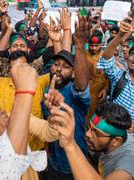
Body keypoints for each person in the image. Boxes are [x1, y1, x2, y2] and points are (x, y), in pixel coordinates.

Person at [0, 27, 64, 180]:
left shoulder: (11, 117)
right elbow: (0, 174)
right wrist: (0, 137)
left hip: (36, 151)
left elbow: (51, 133)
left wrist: (54, 113)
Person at [40, 14, 90, 180]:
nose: (59, 69)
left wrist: (80, 46)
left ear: (74, 73)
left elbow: (82, 84)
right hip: (54, 163)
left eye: (66, 67)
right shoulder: (47, 91)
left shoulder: (75, 92)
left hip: (74, 164)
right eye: (56, 64)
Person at [50, 102, 134, 180]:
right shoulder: (113, 137)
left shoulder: (131, 163)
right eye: (89, 127)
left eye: (96, 132)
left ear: (116, 140)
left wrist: (70, 145)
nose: (88, 134)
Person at [97, 17, 134, 153]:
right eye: (133, 54)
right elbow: (106, 59)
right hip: (114, 144)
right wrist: (120, 34)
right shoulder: (119, 77)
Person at [86, 29, 110, 120]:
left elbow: (109, 75)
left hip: (99, 94)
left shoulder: (106, 57)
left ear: (101, 44)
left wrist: (105, 89)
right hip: (85, 91)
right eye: (91, 45)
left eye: (97, 45)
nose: (94, 48)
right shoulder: (82, 55)